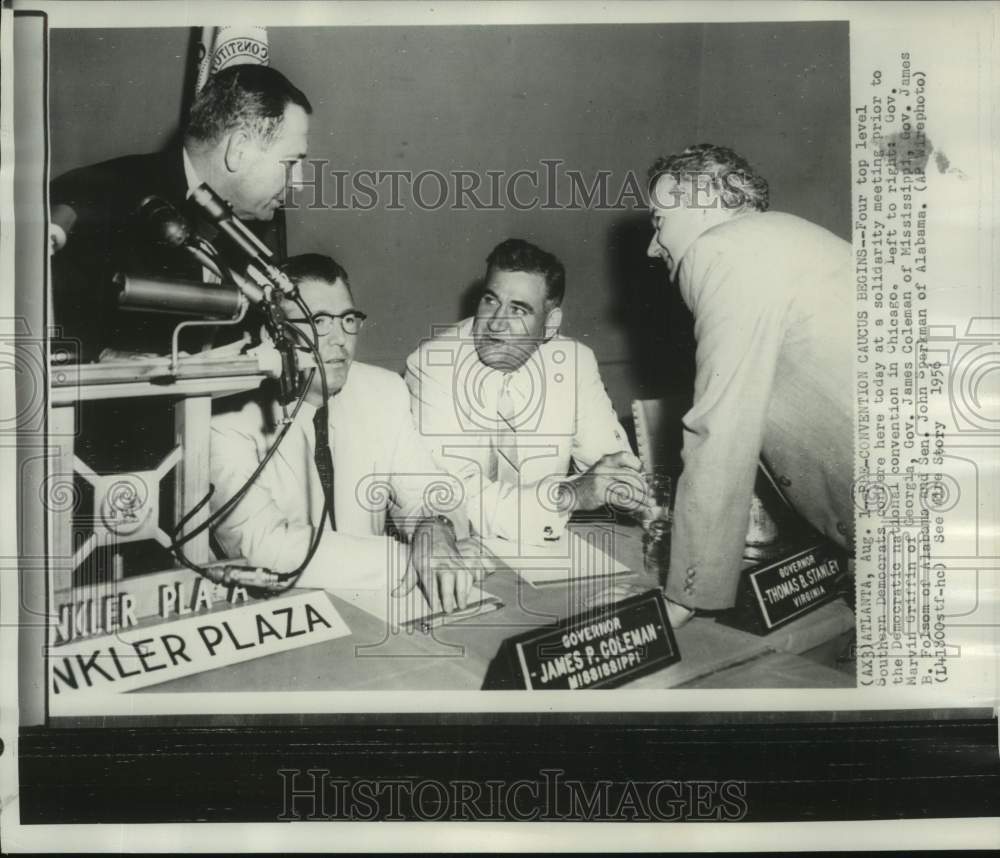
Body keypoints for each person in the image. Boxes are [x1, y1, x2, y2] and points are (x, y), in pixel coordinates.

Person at [645, 143, 854, 621]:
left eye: (659, 221)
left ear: (700, 203)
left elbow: (723, 426)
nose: (653, 247)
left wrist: (682, 596)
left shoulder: (719, 250)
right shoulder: (783, 238)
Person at [209, 254, 477, 613]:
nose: (340, 340)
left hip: (371, 607)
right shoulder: (222, 416)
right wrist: (410, 556)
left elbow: (426, 490)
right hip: (274, 613)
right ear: (273, 335)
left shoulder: (383, 390)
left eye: (348, 319)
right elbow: (262, 547)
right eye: (319, 321)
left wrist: (434, 528)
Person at [50, 64, 311, 361]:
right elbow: (48, 333)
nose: (299, 182)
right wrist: (106, 356)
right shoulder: (93, 196)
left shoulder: (265, 216)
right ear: (239, 149)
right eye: (291, 162)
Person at [406, 238, 647, 547]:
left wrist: (623, 487)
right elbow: (456, 496)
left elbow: (606, 469)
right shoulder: (432, 365)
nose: (496, 323)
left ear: (550, 324)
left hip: (547, 547)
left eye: (518, 309)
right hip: (461, 551)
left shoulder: (575, 362)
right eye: (490, 300)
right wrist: (570, 494)